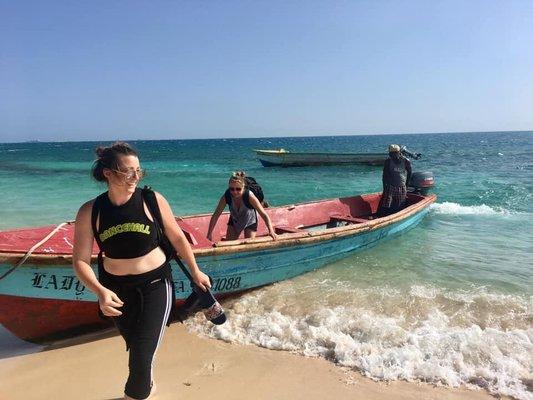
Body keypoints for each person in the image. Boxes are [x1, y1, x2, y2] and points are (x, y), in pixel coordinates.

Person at [72, 142, 211, 400]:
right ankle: (147, 386)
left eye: (139, 171)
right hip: (115, 291)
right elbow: (80, 260)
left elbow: (179, 239)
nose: (135, 177)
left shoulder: (152, 200)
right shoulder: (91, 211)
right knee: (136, 347)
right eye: (128, 171)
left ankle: (137, 393)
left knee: (140, 356)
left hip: (155, 285)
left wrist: (196, 272)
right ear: (108, 173)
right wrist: (100, 292)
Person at [206, 171, 277, 242]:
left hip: (250, 220)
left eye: (238, 189)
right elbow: (216, 215)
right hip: (235, 219)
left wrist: (271, 231)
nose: (235, 192)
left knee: (249, 245)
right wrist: (209, 234)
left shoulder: (249, 196)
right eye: (232, 189)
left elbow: (264, 215)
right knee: (230, 245)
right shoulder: (227, 196)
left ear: (243, 187)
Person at [377, 144, 412, 217]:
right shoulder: (388, 161)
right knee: (386, 205)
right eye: (390, 153)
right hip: (390, 186)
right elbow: (384, 175)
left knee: (399, 206)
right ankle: (382, 217)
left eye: (392, 153)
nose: (390, 155)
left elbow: (409, 172)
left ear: (398, 153)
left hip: (401, 186)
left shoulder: (406, 161)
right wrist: (385, 188)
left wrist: (406, 185)